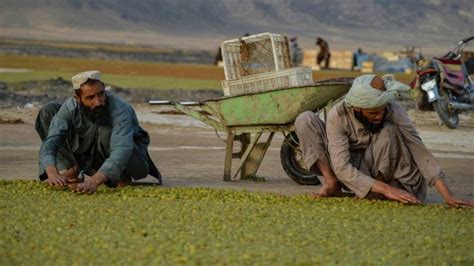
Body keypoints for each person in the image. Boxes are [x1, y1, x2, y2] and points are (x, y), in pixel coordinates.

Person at [294, 74, 474, 207]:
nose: (379, 116)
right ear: (357, 108)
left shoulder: (393, 110)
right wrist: (387, 190)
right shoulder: (338, 115)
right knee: (305, 119)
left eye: (381, 110)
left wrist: (447, 195)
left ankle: (377, 188)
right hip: (350, 166)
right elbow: (341, 166)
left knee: (389, 130)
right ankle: (332, 183)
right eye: (372, 113)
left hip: (382, 164)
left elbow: (417, 148)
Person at [35, 70, 162, 194]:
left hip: (130, 159)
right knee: (49, 111)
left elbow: (122, 149)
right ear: (78, 99)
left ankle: (121, 176)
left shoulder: (120, 108)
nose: (98, 101)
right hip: (91, 154)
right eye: (90, 97)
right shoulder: (70, 107)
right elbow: (51, 142)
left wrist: (94, 182)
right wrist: (52, 173)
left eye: (100, 94)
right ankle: (73, 168)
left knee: (104, 131)